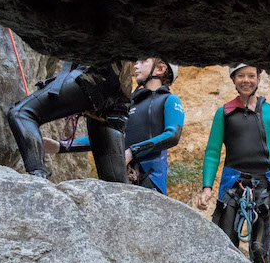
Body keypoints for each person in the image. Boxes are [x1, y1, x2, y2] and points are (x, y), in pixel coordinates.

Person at [196, 63, 270, 263]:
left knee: (260, 248)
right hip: (232, 183)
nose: (246, 80)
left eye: (251, 75)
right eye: (240, 75)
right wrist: (207, 187)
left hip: (263, 184)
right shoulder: (224, 113)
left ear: (258, 78)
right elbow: (212, 152)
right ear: (233, 79)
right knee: (225, 242)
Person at [41, 58, 183, 194]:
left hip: (151, 182)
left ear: (160, 68)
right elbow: (106, 139)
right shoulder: (130, 103)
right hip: (123, 176)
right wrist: (60, 146)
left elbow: (173, 135)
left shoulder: (170, 99)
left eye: (143, 61)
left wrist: (131, 152)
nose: (136, 65)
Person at [7, 60, 133, 181]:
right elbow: (96, 142)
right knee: (115, 184)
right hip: (121, 88)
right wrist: (61, 146)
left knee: (22, 113)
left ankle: (37, 180)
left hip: (93, 73)